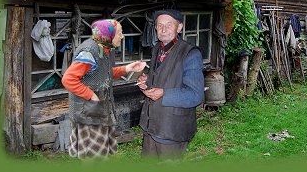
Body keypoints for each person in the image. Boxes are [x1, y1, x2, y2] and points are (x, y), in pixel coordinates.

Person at [62, 19, 146, 159]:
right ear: (108, 36)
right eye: (119, 33)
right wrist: (91, 95)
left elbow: (103, 72)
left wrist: (127, 68)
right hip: (89, 112)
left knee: (98, 153)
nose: (122, 36)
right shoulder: (89, 52)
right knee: (92, 155)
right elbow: (68, 79)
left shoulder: (103, 48)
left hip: (96, 109)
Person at [136, 9, 204, 159]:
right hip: (151, 125)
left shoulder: (190, 53)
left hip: (172, 129)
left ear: (179, 27)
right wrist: (146, 81)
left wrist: (163, 93)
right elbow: (163, 76)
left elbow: (195, 95)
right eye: (159, 25)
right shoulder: (157, 49)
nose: (163, 29)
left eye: (169, 25)